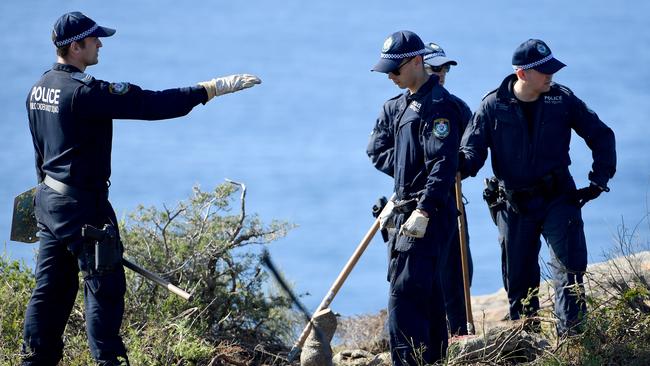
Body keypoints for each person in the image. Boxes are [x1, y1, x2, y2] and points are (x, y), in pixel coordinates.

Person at [22, 11, 261, 365]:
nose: (100, 44)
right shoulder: (86, 93)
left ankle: (33, 360)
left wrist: (46, 206)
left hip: (49, 201)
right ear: (76, 47)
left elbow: (40, 154)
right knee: (104, 290)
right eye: (94, 39)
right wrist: (210, 89)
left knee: (50, 291)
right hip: (84, 209)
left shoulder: (39, 87)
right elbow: (151, 104)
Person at [459, 39, 616, 336]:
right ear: (522, 74)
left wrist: (599, 179)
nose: (550, 76)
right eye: (543, 71)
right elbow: (472, 154)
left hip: (558, 198)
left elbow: (602, 135)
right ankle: (526, 343)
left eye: (551, 69)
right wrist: (459, 164)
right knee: (519, 282)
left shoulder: (563, 100)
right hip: (513, 205)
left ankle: (573, 344)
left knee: (569, 273)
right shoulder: (492, 105)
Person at [368, 30, 462, 365]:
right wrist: (405, 184)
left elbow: (443, 164)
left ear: (416, 62)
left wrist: (422, 208)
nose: (390, 77)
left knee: (403, 298)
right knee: (430, 298)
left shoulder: (438, 105)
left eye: (394, 70)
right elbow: (385, 154)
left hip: (425, 214)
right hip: (407, 208)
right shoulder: (405, 103)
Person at [423, 42, 474, 336]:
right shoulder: (401, 108)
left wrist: (459, 165)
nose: (440, 74)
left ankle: (458, 334)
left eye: (444, 69)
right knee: (418, 272)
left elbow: (473, 146)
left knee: (457, 268)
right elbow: (381, 151)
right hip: (415, 200)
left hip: (451, 197)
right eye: (434, 68)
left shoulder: (457, 107)